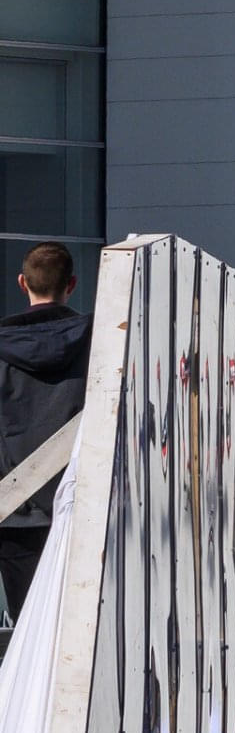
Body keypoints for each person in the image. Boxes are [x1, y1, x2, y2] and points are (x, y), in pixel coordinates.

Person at [0, 242, 90, 618]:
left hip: (15, 510)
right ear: (72, 283)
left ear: (22, 283)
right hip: (81, 505)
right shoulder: (97, 341)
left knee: (27, 631)